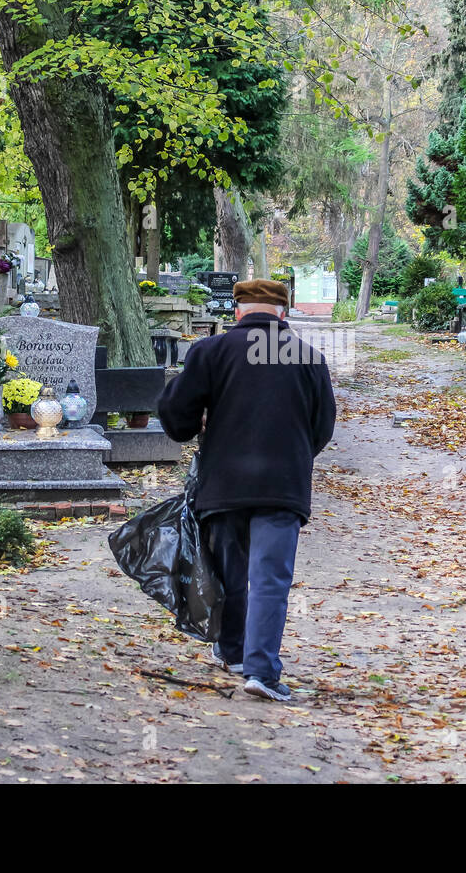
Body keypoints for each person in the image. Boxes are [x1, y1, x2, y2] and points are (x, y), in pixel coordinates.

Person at [157, 279, 336, 701]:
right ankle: (261, 672)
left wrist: (196, 425)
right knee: (270, 577)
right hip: (282, 484)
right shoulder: (309, 358)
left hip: (224, 483)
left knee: (227, 572)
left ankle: (233, 651)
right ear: (283, 313)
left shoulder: (211, 352)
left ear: (237, 312)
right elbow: (322, 426)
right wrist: (293, 454)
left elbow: (175, 413)